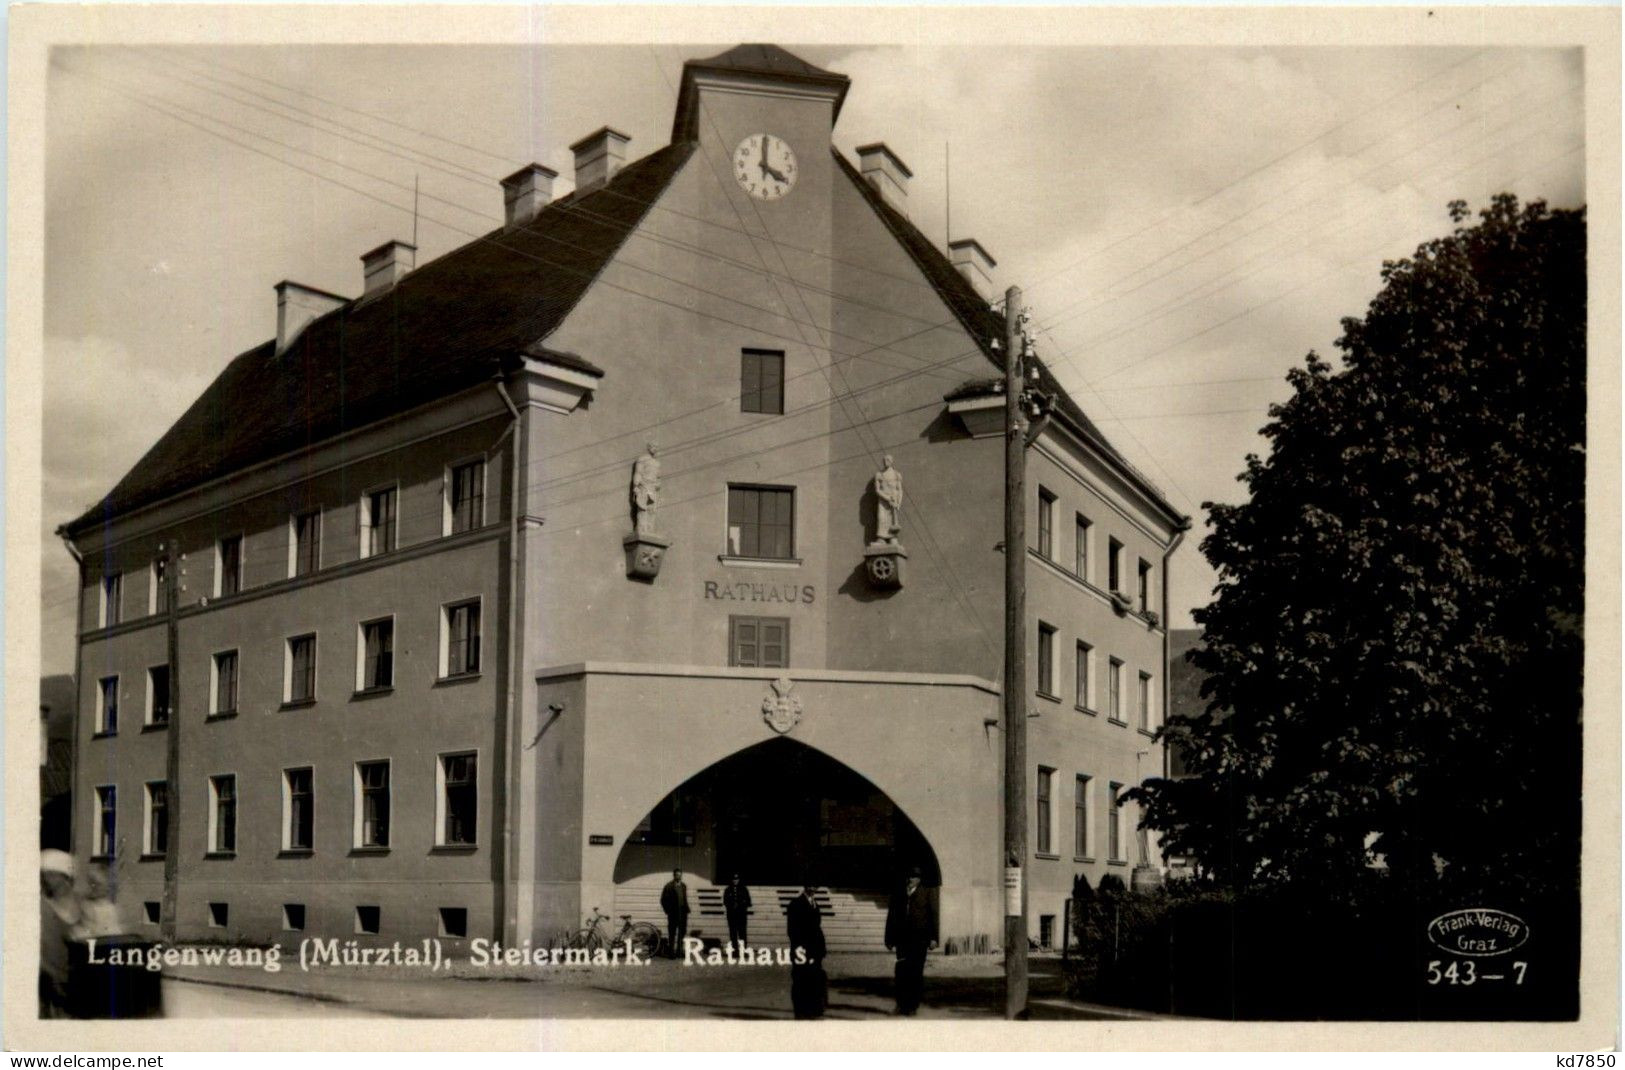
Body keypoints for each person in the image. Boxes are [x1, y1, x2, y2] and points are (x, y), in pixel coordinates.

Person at [884, 866, 939, 1016]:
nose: (910, 879)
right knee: (901, 971)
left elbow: (934, 915)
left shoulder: (927, 892)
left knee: (915, 973)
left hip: (920, 940)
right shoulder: (899, 893)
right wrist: (889, 938)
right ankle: (901, 1004)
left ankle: (912, 1005)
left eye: (914, 877)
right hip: (902, 939)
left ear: (919, 879)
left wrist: (934, 938)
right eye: (909, 876)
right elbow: (892, 916)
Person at [40, 850, 81, 1017]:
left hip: (72, 987)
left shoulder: (81, 904)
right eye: (44, 875)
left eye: (49, 875)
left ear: (64, 877)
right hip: (48, 986)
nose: (44, 879)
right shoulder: (42, 906)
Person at [785, 882, 827, 1020]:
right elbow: (792, 930)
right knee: (800, 981)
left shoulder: (815, 904)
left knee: (813, 980)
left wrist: (821, 949)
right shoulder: (796, 904)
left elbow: (817, 928)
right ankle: (800, 1011)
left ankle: (812, 1009)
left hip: (815, 951)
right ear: (805, 886)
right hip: (802, 950)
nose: (813, 888)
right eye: (810, 885)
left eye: (815, 886)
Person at [631, 443, 662, 537]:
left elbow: (659, 477)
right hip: (643, 485)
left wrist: (658, 484)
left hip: (652, 487)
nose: (655, 449)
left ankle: (650, 530)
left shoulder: (657, 463)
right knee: (642, 508)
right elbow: (638, 473)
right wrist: (635, 486)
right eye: (653, 446)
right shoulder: (642, 459)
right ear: (649, 447)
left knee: (652, 509)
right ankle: (641, 529)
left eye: (657, 447)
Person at [658, 867, 690, 957]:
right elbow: (663, 900)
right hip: (673, 914)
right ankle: (671, 952)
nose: (678, 877)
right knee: (672, 933)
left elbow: (684, 898)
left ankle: (679, 951)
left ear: (681, 876)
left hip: (683, 913)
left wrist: (686, 909)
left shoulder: (683, 886)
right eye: (677, 875)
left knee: (681, 933)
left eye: (680, 875)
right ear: (674, 875)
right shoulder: (669, 886)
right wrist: (668, 911)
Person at [873, 455, 904, 544]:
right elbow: (877, 490)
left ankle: (892, 537)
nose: (885, 461)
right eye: (884, 460)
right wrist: (887, 498)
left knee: (892, 520)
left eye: (888, 460)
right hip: (883, 501)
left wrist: (898, 503)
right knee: (882, 518)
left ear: (891, 461)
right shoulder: (879, 475)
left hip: (893, 501)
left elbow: (899, 490)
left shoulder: (896, 474)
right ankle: (881, 538)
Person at [723, 873, 752, 952]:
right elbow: (725, 902)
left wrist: (741, 905)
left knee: (742, 933)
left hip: (741, 915)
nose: (735, 881)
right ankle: (735, 950)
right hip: (732, 915)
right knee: (733, 933)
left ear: (739, 880)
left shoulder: (744, 889)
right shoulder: (728, 890)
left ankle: (743, 950)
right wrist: (732, 906)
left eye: (736, 879)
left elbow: (749, 902)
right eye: (733, 879)